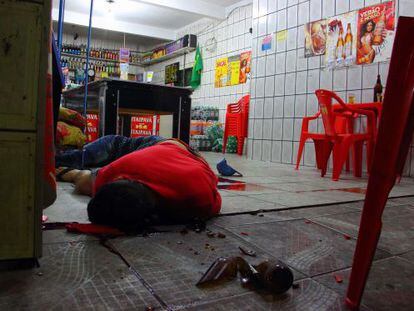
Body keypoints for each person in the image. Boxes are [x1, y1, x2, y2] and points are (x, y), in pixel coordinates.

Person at [57, 139, 222, 232]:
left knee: (86, 163)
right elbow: (81, 180)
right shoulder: (116, 171)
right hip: (161, 148)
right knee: (87, 160)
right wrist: (71, 173)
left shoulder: (199, 198)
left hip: (166, 153)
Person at [56, 134, 165, 169]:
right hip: (110, 146)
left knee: (74, 160)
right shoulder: (155, 149)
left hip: (112, 155)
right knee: (72, 160)